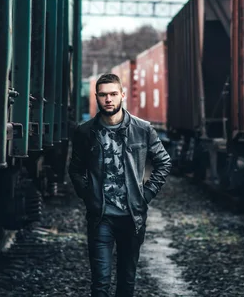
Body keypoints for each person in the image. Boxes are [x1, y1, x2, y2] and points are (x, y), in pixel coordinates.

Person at [68, 73, 172, 297]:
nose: (109, 99)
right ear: (96, 97)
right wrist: (88, 195)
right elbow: (75, 169)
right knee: (100, 283)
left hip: (132, 218)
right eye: (103, 95)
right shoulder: (85, 132)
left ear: (122, 95)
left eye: (113, 94)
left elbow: (164, 162)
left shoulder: (142, 129)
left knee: (127, 281)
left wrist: (146, 194)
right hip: (101, 217)